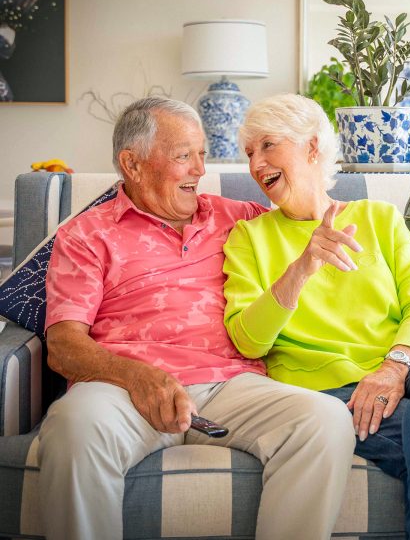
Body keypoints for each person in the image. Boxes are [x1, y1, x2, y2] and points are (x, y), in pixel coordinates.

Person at [38, 97, 358, 540]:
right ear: (132, 164)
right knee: (72, 426)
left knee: (325, 419)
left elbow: (326, 216)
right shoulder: (87, 235)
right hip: (124, 392)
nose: (199, 170)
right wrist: (138, 377)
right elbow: (64, 345)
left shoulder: (236, 218)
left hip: (232, 385)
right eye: (184, 156)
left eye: (202, 155)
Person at [223, 94, 410, 540]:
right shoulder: (249, 237)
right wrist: (302, 267)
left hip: (399, 383)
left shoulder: (378, 219)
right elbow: (249, 341)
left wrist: (393, 367)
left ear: (311, 148)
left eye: (269, 145)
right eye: (249, 153)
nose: (255, 164)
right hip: (324, 400)